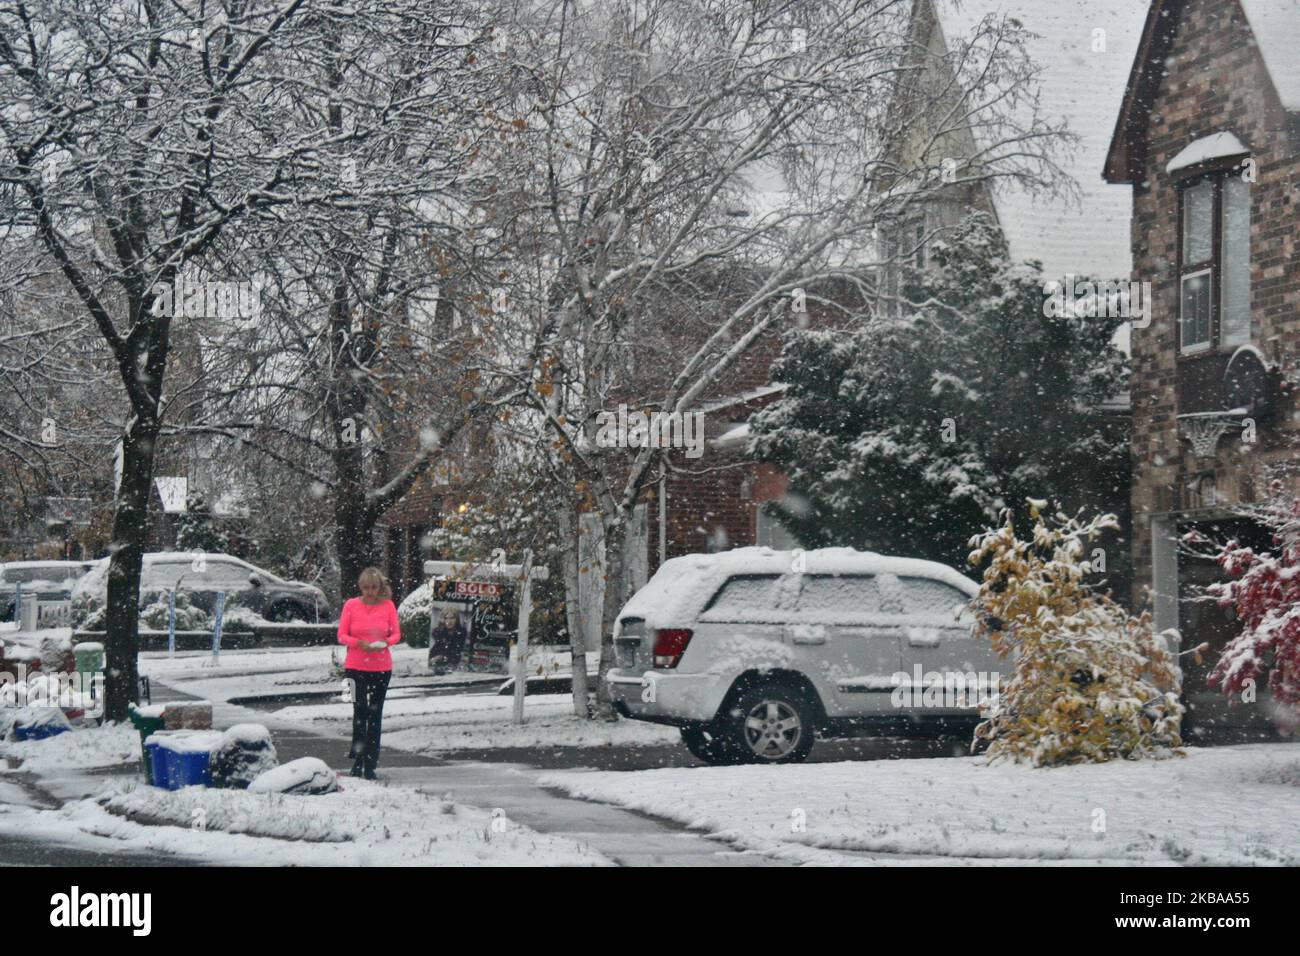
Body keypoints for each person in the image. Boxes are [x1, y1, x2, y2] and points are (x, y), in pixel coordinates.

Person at [337, 568, 401, 779]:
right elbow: (342, 635)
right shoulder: (351, 605)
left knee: (375, 715)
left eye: (374, 587)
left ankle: (371, 763)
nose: (370, 592)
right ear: (360, 587)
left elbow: (396, 634)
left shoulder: (388, 606)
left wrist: (385, 643)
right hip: (354, 666)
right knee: (359, 712)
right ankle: (357, 759)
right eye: (366, 587)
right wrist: (359, 643)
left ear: (380, 587)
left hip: (381, 667)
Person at [428, 607, 467, 673]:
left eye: (452, 618)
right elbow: (438, 648)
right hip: (435, 661)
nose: (449, 621)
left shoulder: (461, 632)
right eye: (446, 618)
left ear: (456, 619)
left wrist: (442, 657)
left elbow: (456, 651)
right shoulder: (439, 632)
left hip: (452, 664)